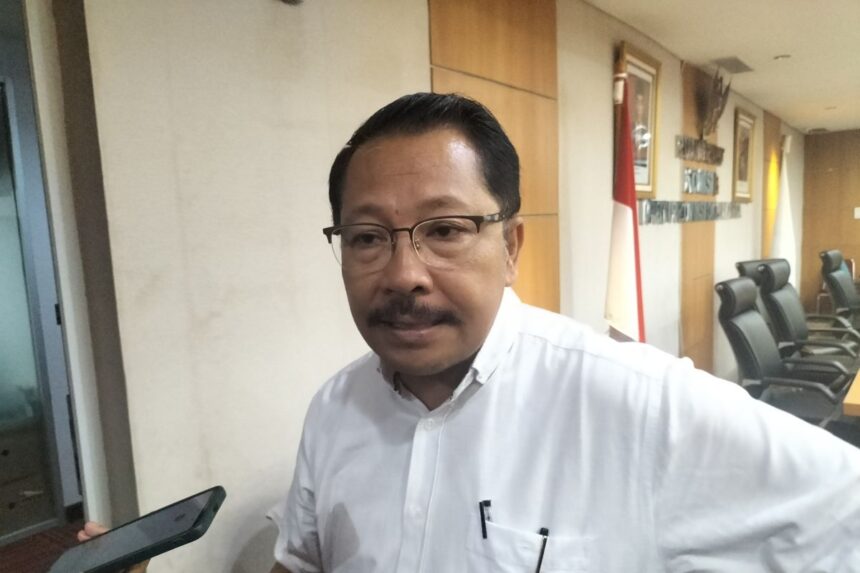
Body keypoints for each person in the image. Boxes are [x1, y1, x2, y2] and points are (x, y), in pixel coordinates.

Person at [83, 93, 860, 572]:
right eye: (366, 237)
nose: (403, 274)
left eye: (446, 230)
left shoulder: (638, 403)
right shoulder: (335, 409)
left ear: (511, 245)